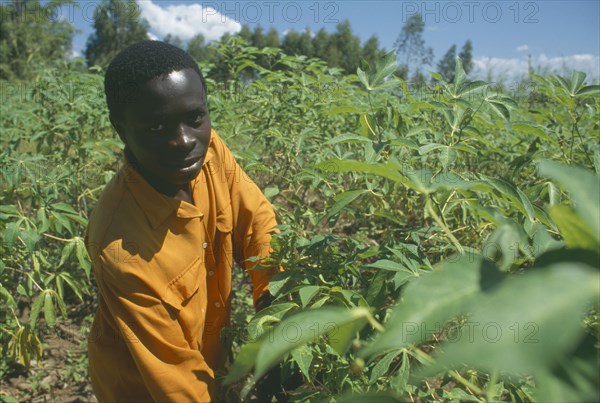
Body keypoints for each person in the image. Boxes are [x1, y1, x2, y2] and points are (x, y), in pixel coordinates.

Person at [85, 40, 281, 402]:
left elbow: (258, 226)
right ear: (121, 128)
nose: (184, 140)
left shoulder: (210, 152)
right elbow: (176, 380)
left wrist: (278, 321)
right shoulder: (121, 248)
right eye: (157, 127)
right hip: (143, 389)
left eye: (195, 118)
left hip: (211, 362)